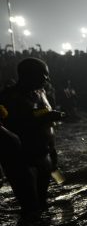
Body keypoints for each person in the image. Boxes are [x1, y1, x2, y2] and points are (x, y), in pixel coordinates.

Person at [0, 58, 65, 216]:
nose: (47, 79)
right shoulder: (7, 97)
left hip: (45, 156)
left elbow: (45, 123)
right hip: (22, 161)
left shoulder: (41, 93)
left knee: (43, 204)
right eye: (44, 75)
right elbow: (20, 119)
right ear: (29, 75)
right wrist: (45, 115)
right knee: (31, 210)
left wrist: (53, 153)